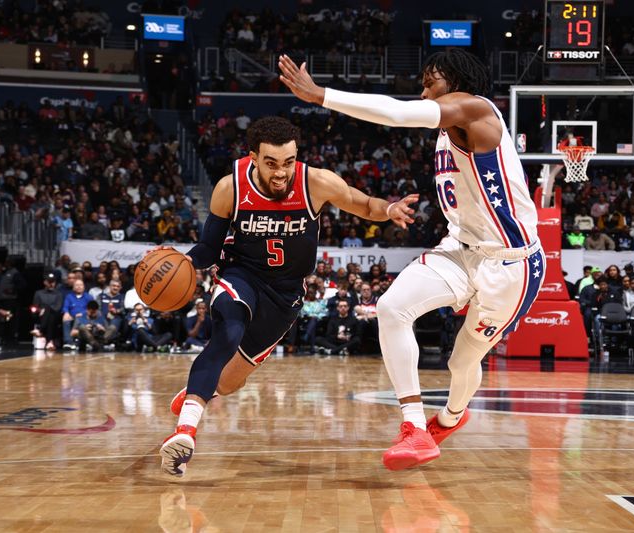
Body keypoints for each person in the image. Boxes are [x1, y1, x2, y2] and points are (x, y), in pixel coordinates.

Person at [279, 48, 543, 470]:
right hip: (461, 249)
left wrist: (322, 95)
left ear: (455, 81)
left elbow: (397, 114)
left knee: (463, 360)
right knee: (391, 307)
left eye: (429, 82)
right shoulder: (447, 128)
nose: (422, 91)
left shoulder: (476, 110)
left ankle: (452, 417)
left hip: (511, 264)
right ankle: (415, 429)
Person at [158, 116, 417, 477]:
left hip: (286, 293)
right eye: (271, 163)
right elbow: (208, 248)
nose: (281, 172)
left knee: (230, 382)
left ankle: (200, 388)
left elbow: (364, 204)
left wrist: (389, 210)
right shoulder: (229, 188)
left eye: (288, 162)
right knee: (227, 334)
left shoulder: (316, 183)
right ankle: (185, 430)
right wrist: (184, 261)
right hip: (241, 274)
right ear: (252, 158)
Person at [31, 273, 64, 351]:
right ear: (45, 282)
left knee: (49, 312)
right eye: (49, 282)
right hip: (41, 316)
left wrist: (45, 310)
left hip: (55, 316)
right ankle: (49, 342)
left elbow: (58, 308)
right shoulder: (38, 293)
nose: (51, 284)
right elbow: (34, 307)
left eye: (53, 282)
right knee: (49, 316)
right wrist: (40, 310)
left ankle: (41, 330)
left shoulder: (59, 294)